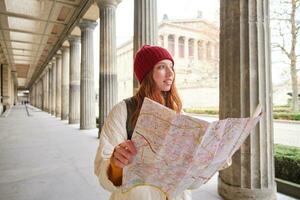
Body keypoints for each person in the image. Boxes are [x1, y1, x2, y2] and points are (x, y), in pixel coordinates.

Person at [94, 45, 194, 200]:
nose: (170, 74)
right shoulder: (122, 110)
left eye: (171, 67)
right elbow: (103, 169)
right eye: (161, 67)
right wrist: (115, 164)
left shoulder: (178, 110)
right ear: (147, 74)